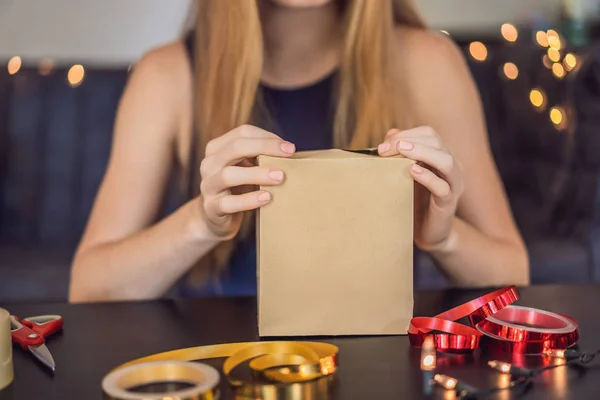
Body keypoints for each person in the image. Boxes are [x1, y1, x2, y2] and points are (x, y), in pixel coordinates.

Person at [68, 0, 529, 303]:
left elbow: (513, 272)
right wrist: (201, 223)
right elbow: (88, 288)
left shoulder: (427, 63)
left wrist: (440, 238)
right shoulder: (166, 76)